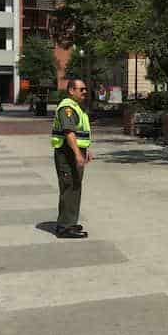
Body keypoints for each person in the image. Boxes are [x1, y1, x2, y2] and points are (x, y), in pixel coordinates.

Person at [51, 78, 94, 238]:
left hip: (75, 151)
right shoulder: (67, 108)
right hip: (66, 153)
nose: (84, 92)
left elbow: (80, 133)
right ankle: (64, 227)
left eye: (85, 89)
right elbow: (69, 132)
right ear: (71, 90)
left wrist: (85, 150)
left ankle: (70, 222)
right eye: (81, 89)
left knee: (75, 187)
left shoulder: (77, 107)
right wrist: (77, 154)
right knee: (69, 187)